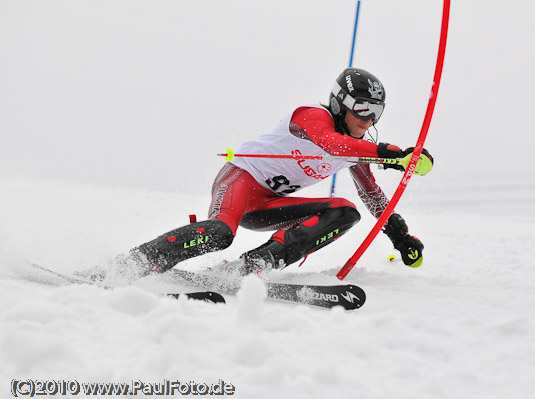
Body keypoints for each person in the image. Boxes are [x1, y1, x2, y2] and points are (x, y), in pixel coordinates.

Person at [129, 68, 433, 276]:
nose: (368, 120)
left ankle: (255, 264)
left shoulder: (356, 149)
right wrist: (394, 154)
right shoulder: (312, 116)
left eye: (376, 112)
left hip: (267, 206)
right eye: (363, 108)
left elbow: (373, 196)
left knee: (344, 212)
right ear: (341, 103)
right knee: (220, 233)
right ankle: (136, 262)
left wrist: (400, 236)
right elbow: (331, 144)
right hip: (241, 181)